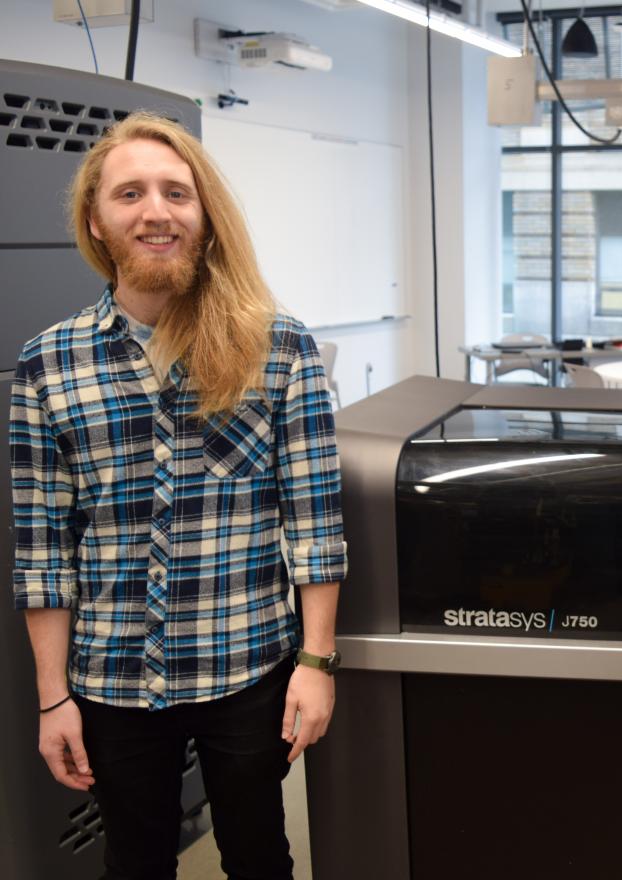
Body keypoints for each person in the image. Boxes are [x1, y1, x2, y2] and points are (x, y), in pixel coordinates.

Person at [10, 112, 347, 880]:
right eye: (130, 193)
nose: (155, 211)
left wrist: (317, 663)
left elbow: (315, 521)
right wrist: (52, 698)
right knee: (134, 863)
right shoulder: (46, 366)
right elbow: (42, 552)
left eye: (176, 193)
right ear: (97, 220)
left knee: (261, 856)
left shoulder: (278, 345)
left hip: (248, 662)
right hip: (112, 678)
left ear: (204, 216)